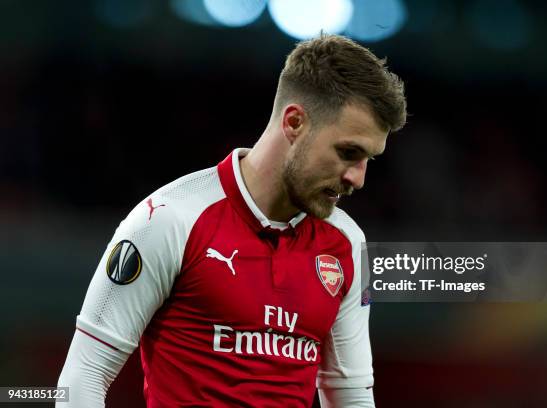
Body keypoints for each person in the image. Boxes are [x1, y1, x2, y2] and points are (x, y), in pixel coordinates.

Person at [57, 33, 406, 407]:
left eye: (368, 159)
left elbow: (351, 396)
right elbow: (84, 376)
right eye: (347, 152)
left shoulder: (349, 244)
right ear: (294, 122)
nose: (358, 178)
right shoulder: (168, 219)